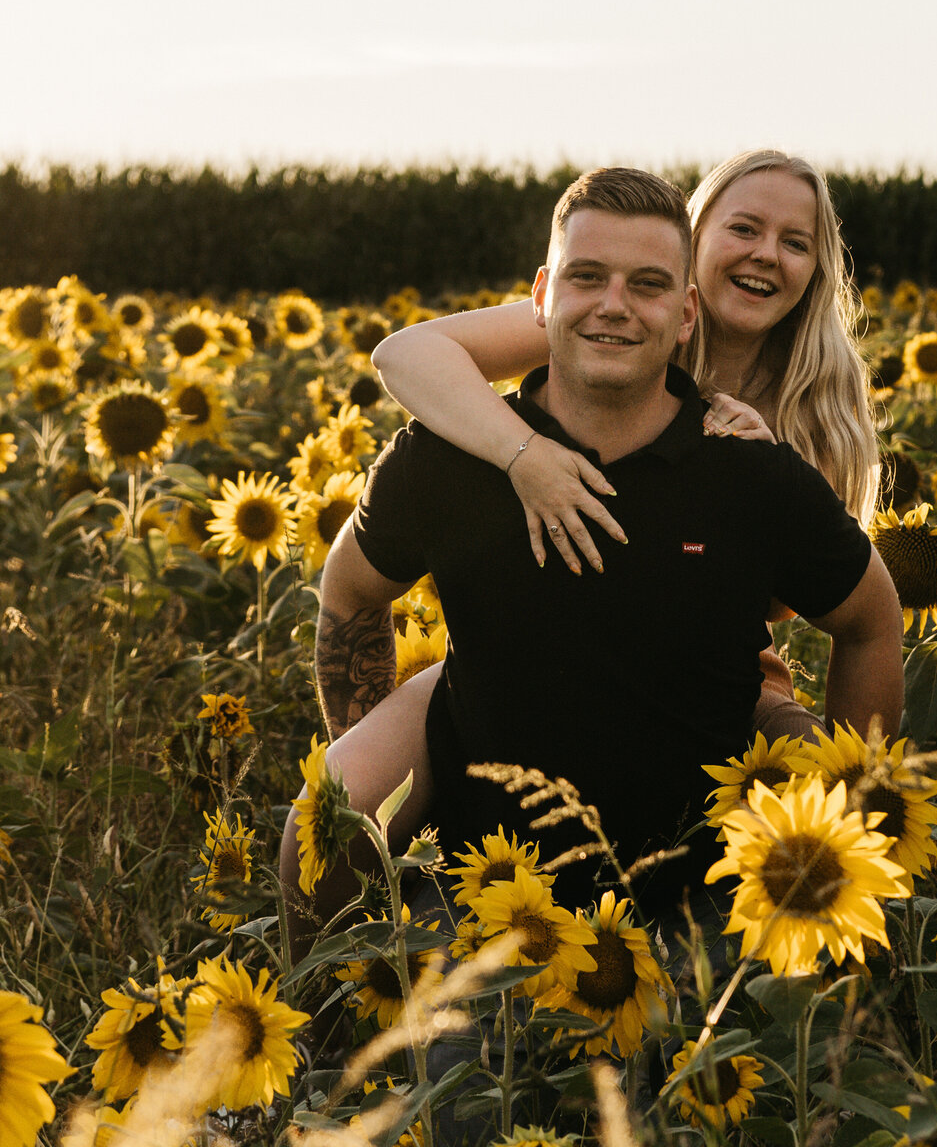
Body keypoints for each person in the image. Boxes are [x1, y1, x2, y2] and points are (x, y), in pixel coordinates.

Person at [280, 166, 902, 961]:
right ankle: (329, 1056)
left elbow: (857, 606)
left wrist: (858, 802)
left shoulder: (798, 415)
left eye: (795, 242)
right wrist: (524, 455)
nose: (766, 256)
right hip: (514, 646)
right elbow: (408, 354)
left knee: (844, 864)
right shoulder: (588, 312)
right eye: (744, 229)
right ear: (702, 244)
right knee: (335, 806)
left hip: (727, 673)